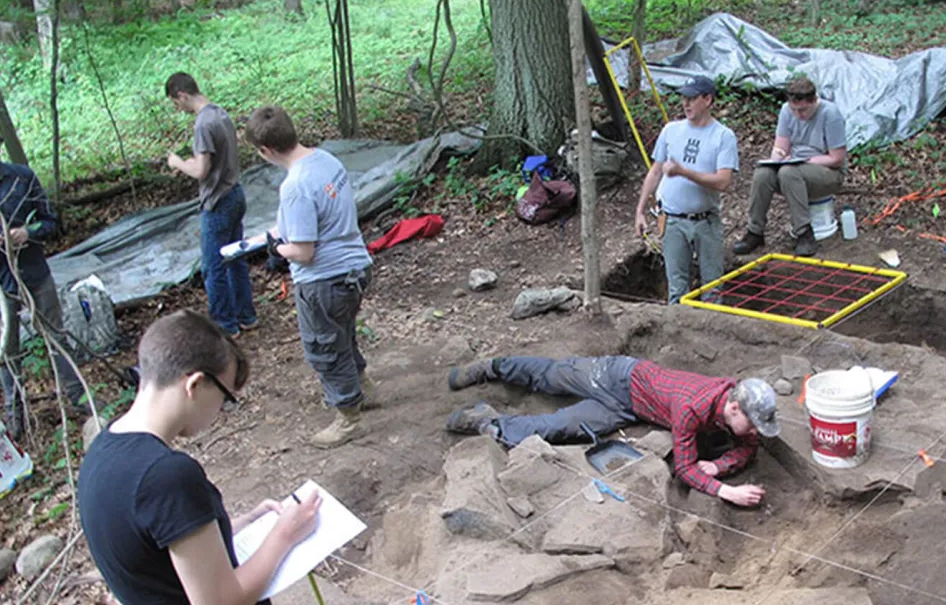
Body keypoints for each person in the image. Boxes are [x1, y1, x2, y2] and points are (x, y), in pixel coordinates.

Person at [78, 310, 322, 605]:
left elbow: (154, 549)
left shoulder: (105, 450)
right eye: (226, 398)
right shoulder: (167, 475)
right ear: (195, 384)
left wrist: (230, 525)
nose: (222, 412)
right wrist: (286, 532)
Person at [444, 356, 778, 507]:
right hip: (616, 376)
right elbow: (685, 467)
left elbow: (749, 445)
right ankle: (491, 367)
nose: (754, 431)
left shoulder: (736, 402)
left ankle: (487, 423)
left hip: (625, 408)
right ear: (734, 408)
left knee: (560, 427)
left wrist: (719, 466)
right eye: (752, 423)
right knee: (552, 375)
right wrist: (725, 491)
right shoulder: (691, 407)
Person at [243, 105, 377, 448]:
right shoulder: (327, 161)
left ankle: (349, 417)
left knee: (325, 348)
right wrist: (279, 233)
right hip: (354, 267)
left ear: (265, 150)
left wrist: (275, 249)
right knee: (343, 333)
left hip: (324, 279)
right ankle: (364, 388)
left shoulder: (295, 186)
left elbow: (304, 251)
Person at [0, 161, 89, 439]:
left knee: (56, 338)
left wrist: (28, 233)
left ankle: (81, 400)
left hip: (35, 273)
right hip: (3, 285)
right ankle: (17, 417)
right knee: (7, 351)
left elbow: (50, 222)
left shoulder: (22, 178)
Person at [165, 72, 258, 336]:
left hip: (218, 202)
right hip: (234, 192)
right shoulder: (220, 113)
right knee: (235, 259)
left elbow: (201, 170)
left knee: (213, 267)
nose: (178, 108)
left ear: (182, 95)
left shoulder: (203, 123)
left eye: (176, 103)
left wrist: (177, 162)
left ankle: (225, 325)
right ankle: (245, 315)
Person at [633, 76, 739, 304]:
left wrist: (684, 172)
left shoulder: (723, 136)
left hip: (706, 221)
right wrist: (640, 210)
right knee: (677, 289)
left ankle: (711, 334)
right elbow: (654, 172)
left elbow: (723, 181)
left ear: (708, 99)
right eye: (684, 98)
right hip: (672, 220)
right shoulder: (671, 130)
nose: (686, 104)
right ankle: (677, 337)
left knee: (712, 288)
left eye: (692, 98)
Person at [734, 76, 847, 257]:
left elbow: (837, 158)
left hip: (827, 172)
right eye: (795, 110)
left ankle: (803, 232)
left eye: (803, 110)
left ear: (813, 101)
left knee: (789, 173)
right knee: (763, 173)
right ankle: (754, 231)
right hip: (795, 167)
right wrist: (777, 157)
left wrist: (805, 162)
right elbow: (781, 146)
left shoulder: (830, 114)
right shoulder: (787, 111)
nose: (798, 115)